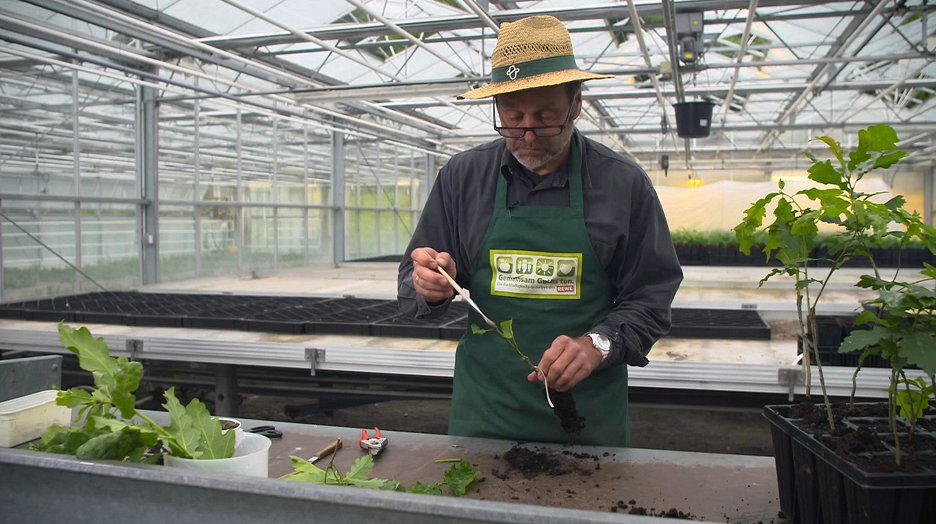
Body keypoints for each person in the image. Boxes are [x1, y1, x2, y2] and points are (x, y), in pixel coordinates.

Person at [397, 15, 682, 447]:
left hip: (588, 416)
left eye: (545, 116)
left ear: (577, 103)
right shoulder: (463, 177)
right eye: (512, 117)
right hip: (485, 411)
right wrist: (429, 284)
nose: (527, 133)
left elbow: (650, 296)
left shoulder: (622, 184)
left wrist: (597, 344)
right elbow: (412, 278)